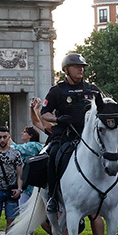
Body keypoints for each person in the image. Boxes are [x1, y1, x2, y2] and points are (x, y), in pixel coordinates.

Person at [38, 52, 102, 214]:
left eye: (82, 67)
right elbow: (44, 113)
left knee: (109, 154)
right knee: (54, 155)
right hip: (66, 135)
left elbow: (103, 109)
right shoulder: (57, 91)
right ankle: (53, 195)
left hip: (89, 136)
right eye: (77, 67)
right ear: (66, 70)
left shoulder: (92, 89)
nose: (81, 70)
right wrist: (58, 119)